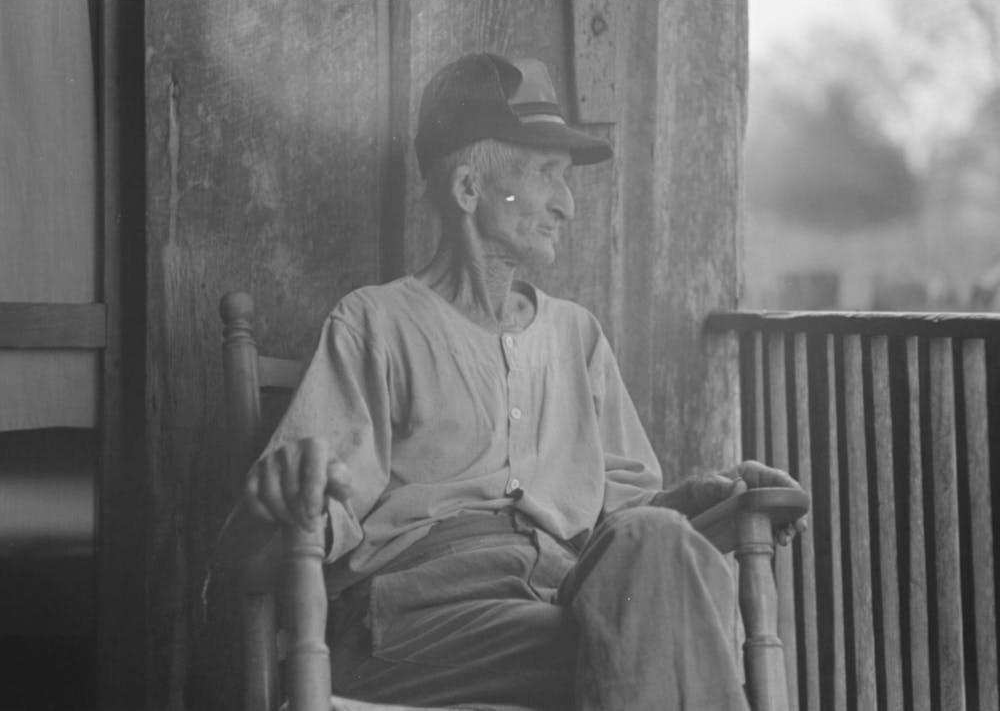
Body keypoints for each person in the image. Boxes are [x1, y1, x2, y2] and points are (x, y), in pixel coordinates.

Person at [237, 53, 804, 710]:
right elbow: (306, 510)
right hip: (418, 625)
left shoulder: (577, 336)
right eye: (546, 173)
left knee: (651, 566)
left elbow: (627, 538)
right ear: (470, 189)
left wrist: (706, 499)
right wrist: (281, 495)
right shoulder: (377, 324)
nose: (566, 204)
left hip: (563, 597)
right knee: (651, 650)